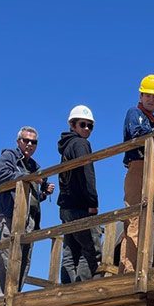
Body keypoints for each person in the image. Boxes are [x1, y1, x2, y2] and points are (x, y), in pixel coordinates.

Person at [0, 127, 54, 296]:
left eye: (34, 142)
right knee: (8, 253)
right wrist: (29, 177)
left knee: (25, 256)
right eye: (26, 140)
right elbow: (1, 175)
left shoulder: (34, 165)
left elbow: (32, 195)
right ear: (19, 142)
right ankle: (3, 295)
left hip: (28, 216)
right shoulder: (9, 156)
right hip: (9, 211)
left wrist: (44, 193)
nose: (30, 144)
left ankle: (14, 293)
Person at [120, 75, 154, 273]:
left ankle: (136, 267)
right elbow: (137, 133)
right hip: (138, 169)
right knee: (135, 218)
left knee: (146, 217)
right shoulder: (135, 113)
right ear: (141, 96)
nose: (151, 99)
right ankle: (131, 271)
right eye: (147, 95)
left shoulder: (149, 120)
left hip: (148, 169)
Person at [57, 105, 101, 282]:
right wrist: (92, 202)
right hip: (80, 206)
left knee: (71, 250)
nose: (87, 129)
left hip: (66, 207)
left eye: (90, 126)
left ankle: (66, 290)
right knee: (91, 250)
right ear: (72, 125)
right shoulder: (81, 144)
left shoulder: (66, 146)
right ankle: (80, 290)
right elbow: (87, 172)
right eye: (83, 124)